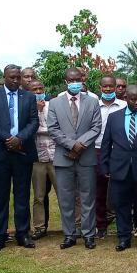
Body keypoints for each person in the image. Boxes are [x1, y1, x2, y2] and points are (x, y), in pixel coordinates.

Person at [0, 65, 38, 251]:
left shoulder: (29, 96)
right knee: (0, 197)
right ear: (4, 77)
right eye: (11, 77)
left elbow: (34, 122)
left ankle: (23, 233)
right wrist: (7, 138)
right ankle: (0, 235)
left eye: (17, 77)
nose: (15, 80)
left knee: (22, 195)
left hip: (23, 152)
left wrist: (19, 138)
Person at [48, 69, 102, 249]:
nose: (75, 82)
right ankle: (69, 234)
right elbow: (53, 129)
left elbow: (96, 127)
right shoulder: (54, 103)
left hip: (86, 158)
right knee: (66, 198)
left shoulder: (92, 101)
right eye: (71, 80)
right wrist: (72, 145)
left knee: (88, 197)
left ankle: (89, 235)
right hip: (64, 158)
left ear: (82, 80)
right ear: (65, 81)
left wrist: (80, 145)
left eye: (78, 79)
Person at [102, 85, 137, 252]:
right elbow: (107, 143)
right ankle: (123, 238)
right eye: (133, 99)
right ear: (126, 98)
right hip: (120, 169)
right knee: (122, 205)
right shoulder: (114, 117)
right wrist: (105, 165)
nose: (136, 103)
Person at [93, 75, 126, 239]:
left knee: (120, 190)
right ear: (100, 87)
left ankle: (122, 225)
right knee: (99, 190)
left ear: (115, 87)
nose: (107, 89)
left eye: (110, 86)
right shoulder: (93, 106)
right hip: (97, 150)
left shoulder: (124, 106)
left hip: (119, 151)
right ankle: (101, 226)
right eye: (104, 86)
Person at [30, 80, 56, 240]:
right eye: (35, 89)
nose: (39, 92)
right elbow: (28, 131)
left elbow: (56, 129)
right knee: (39, 196)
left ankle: (71, 227)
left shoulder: (53, 106)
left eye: (41, 88)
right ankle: (39, 227)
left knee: (63, 193)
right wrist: (37, 111)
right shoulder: (27, 109)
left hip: (56, 156)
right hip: (38, 158)